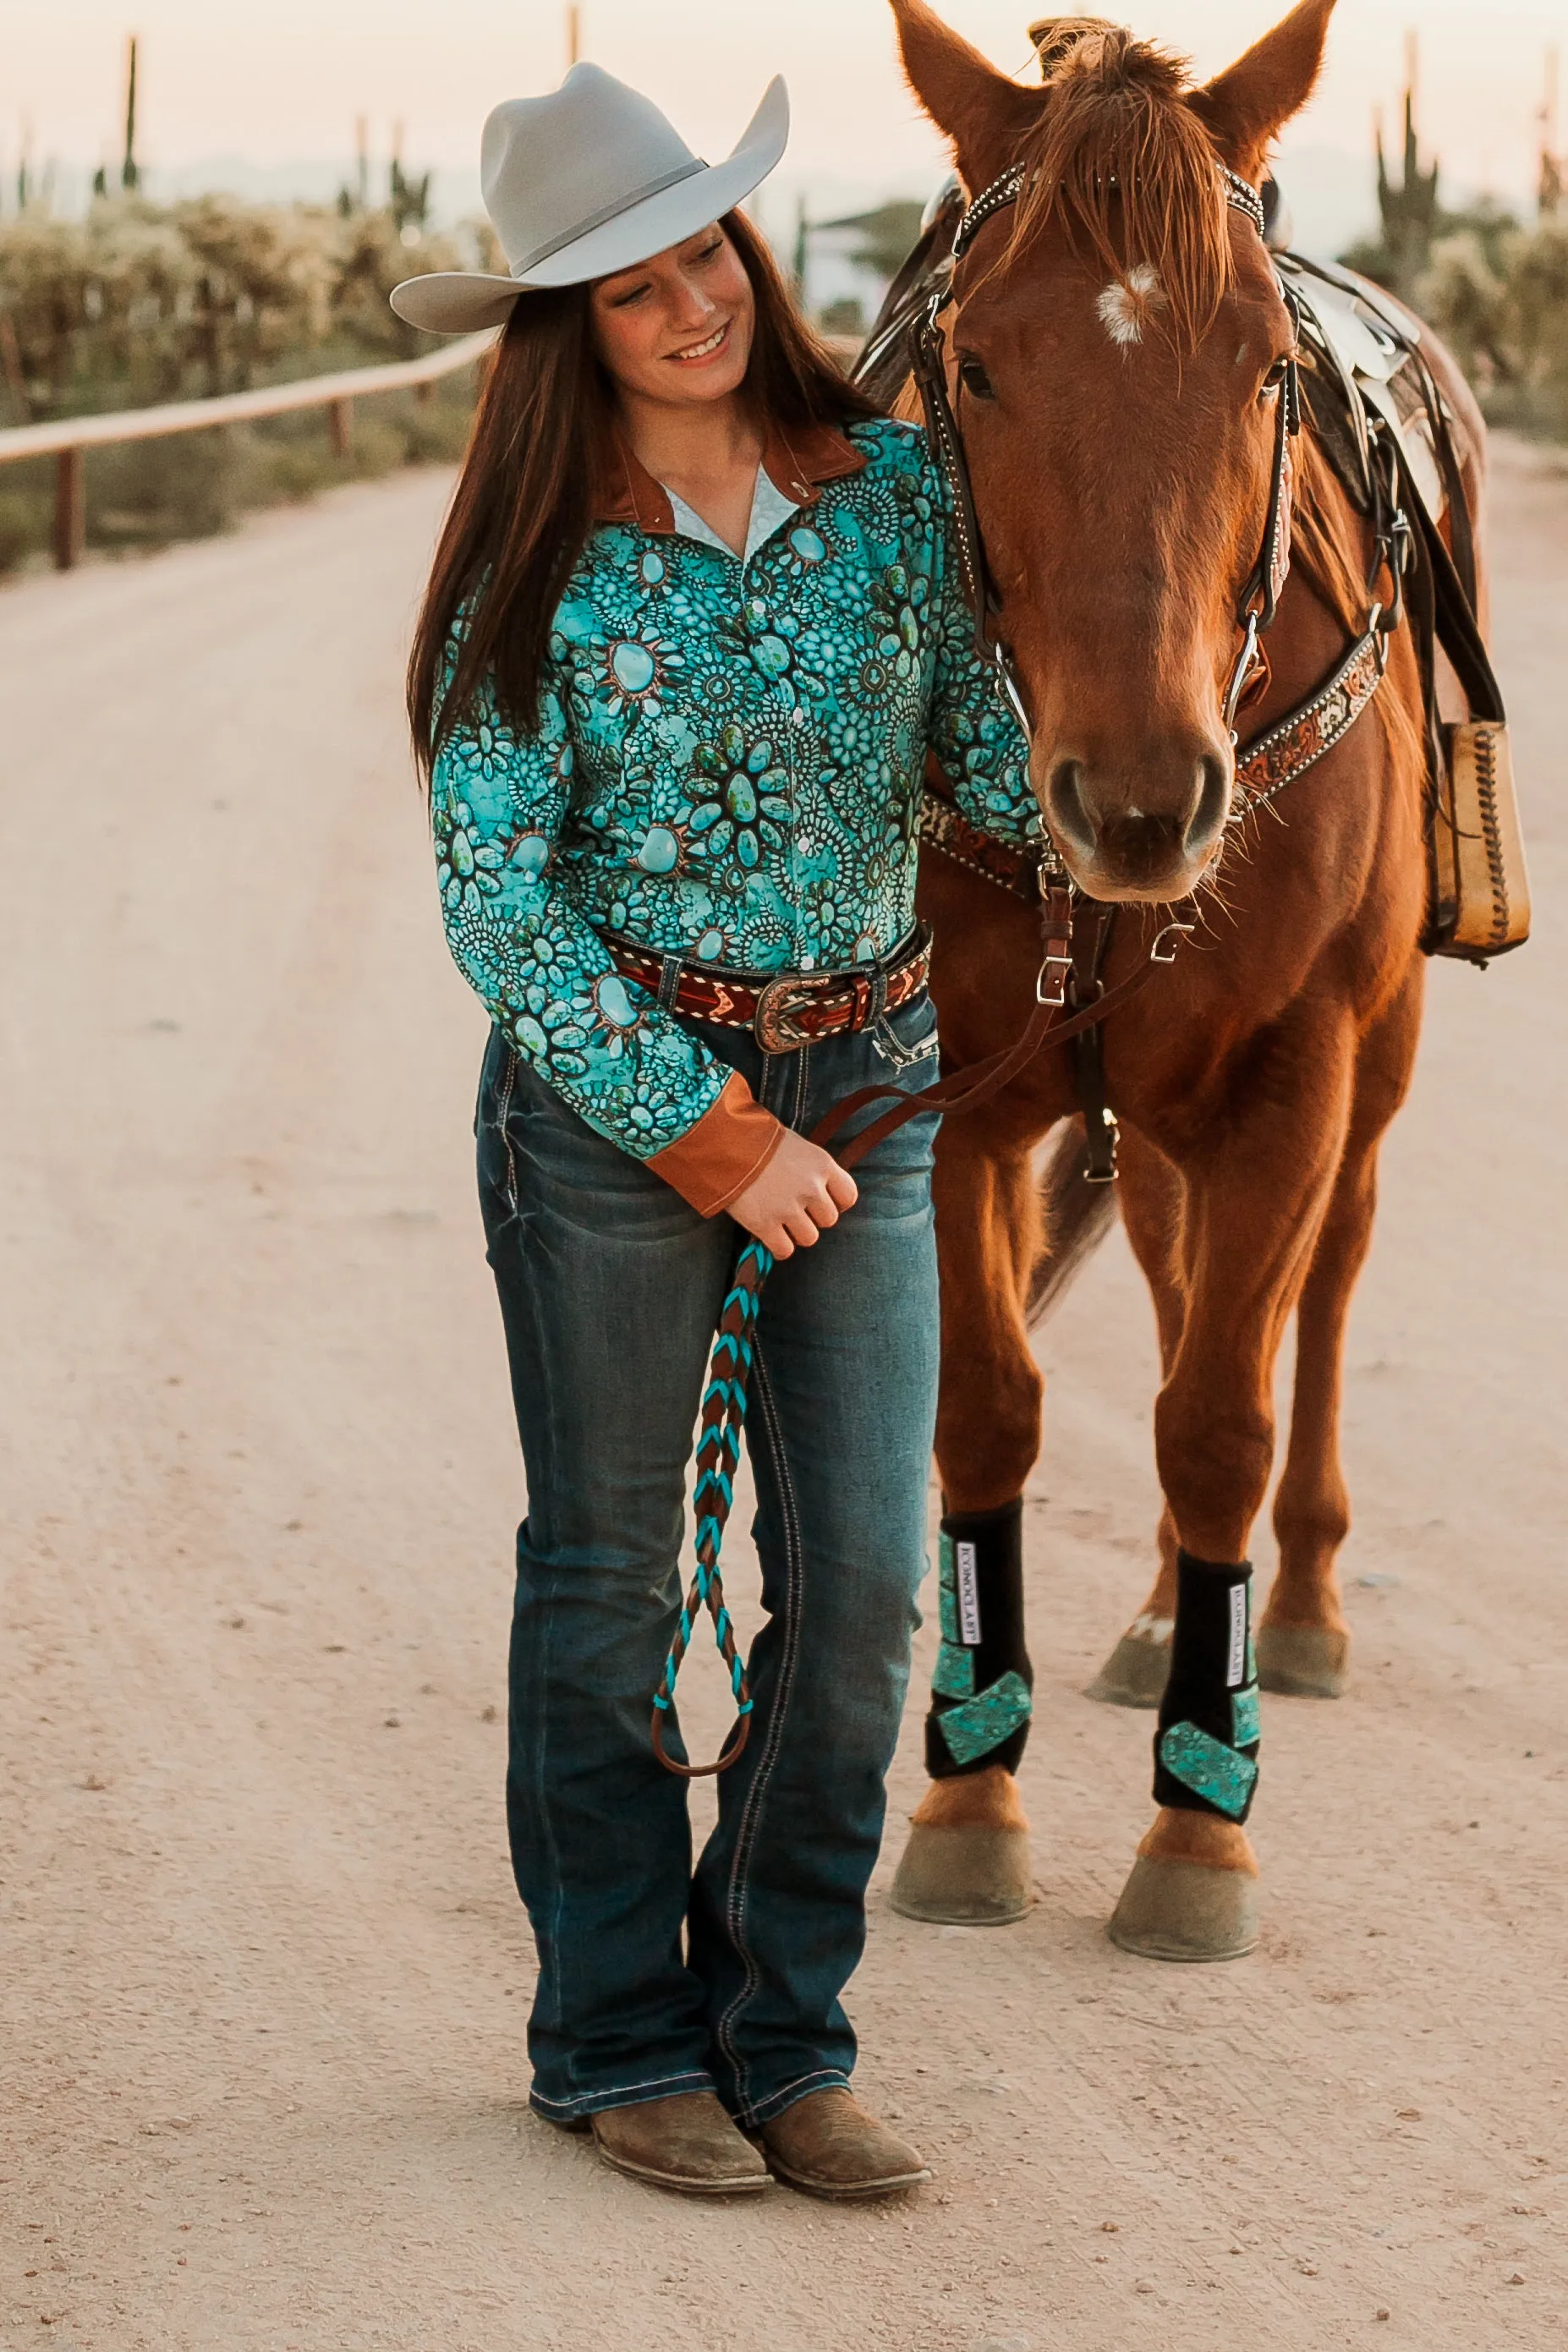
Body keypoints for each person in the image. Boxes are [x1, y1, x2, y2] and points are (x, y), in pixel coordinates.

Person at [396, 60, 1038, 2200]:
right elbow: (499, 887)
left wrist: (1170, 768)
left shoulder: (895, 496)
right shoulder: (532, 556)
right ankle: (612, 2038)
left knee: (862, 1593)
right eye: (631, 284)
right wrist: (700, 1133)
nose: (691, 306)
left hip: (873, 1076)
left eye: (705, 256)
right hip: (614, 1113)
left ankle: (784, 2030)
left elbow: (991, 773)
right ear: (561, 327)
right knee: (607, 1578)